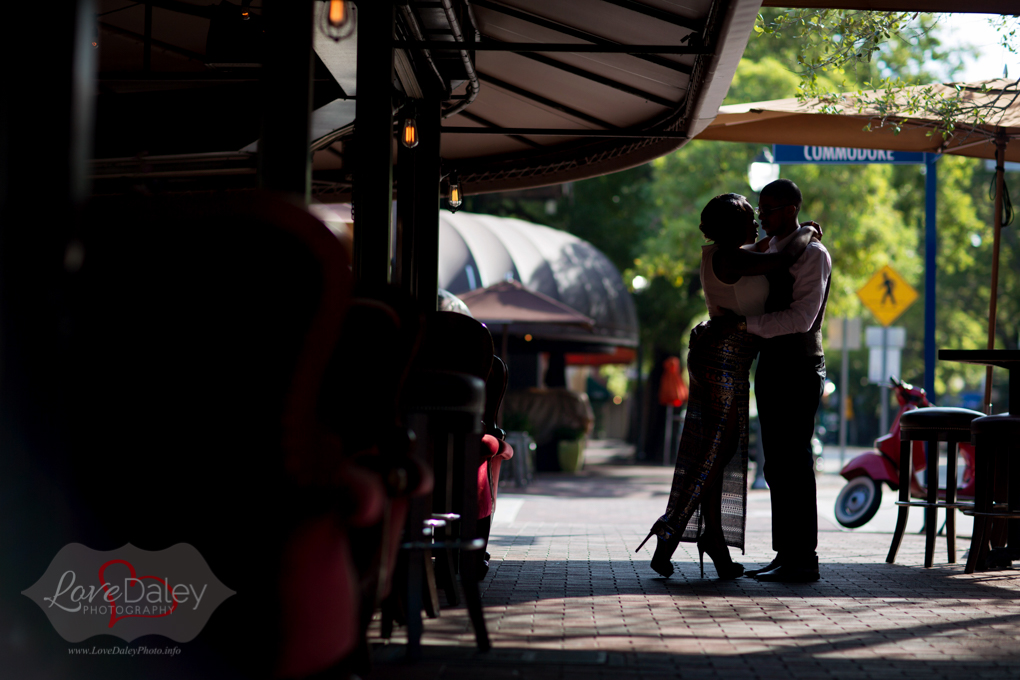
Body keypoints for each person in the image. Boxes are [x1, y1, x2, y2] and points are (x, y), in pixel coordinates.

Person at [637, 193, 820, 579]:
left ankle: (715, 540)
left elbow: (773, 250)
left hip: (730, 359)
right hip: (722, 358)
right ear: (730, 227)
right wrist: (806, 229)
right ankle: (670, 529)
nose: (757, 222)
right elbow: (784, 257)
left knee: (719, 451)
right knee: (717, 452)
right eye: (750, 217)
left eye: (761, 214)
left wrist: (798, 232)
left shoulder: (733, 252)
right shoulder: (733, 256)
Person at [736, 178, 832, 583]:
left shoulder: (813, 254)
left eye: (769, 209)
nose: (762, 217)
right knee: (776, 464)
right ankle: (785, 553)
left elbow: (801, 319)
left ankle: (802, 558)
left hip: (799, 367)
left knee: (794, 463)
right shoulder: (772, 248)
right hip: (773, 366)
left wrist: (745, 326)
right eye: (760, 209)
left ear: (792, 208)